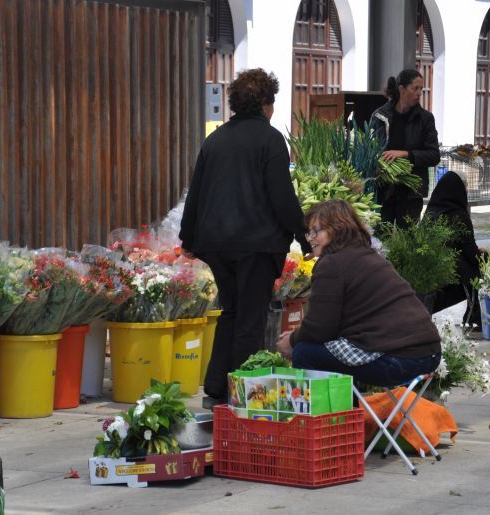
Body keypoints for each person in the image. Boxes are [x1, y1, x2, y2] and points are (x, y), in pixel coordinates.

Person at [180, 68, 311, 408]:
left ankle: (216, 386)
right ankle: (241, 392)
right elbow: (281, 195)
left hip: (217, 244)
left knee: (231, 312)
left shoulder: (216, 139)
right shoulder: (269, 140)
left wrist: (188, 238)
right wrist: (304, 234)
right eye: (273, 102)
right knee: (250, 319)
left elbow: (197, 192)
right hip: (256, 243)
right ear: (265, 103)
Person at [276, 200, 441, 387]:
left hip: (400, 358)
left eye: (316, 231)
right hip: (429, 353)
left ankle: (333, 415)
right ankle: (348, 413)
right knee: (333, 350)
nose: (310, 238)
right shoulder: (367, 255)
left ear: (337, 229)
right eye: (309, 232)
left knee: (305, 352)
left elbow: (320, 327)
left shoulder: (332, 263)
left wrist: (292, 340)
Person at [370, 69, 439, 229]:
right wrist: (378, 166)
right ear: (401, 89)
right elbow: (371, 150)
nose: (419, 93)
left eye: (421, 89)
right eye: (415, 88)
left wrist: (406, 154)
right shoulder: (380, 116)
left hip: (411, 192)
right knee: (382, 235)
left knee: (406, 239)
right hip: (383, 189)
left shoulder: (425, 119)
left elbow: (434, 155)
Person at [424, 169, 483, 329]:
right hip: (452, 268)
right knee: (480, 268)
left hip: (429, 265)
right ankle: (475, 317)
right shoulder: (458, 215)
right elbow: (470, 251)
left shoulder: (431, 212)